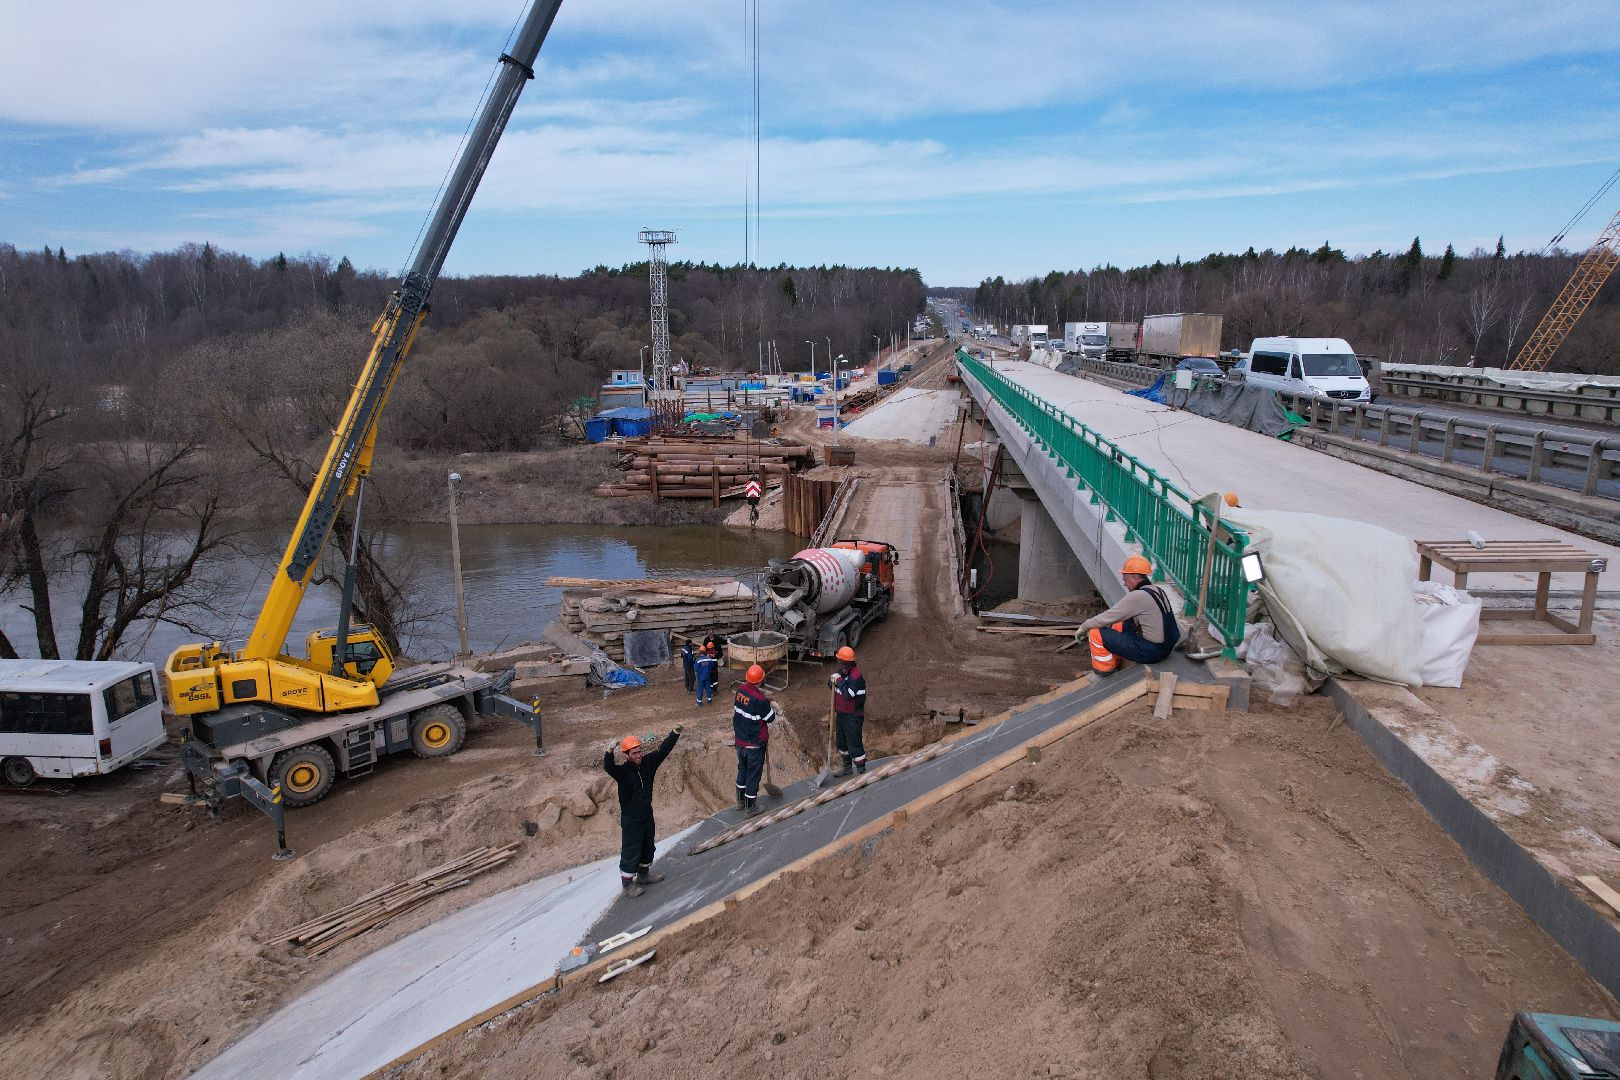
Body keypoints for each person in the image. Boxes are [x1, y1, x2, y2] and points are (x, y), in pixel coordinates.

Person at [602, 727, 681, 897]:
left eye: (639, 752)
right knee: (631, 849)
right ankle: (628, 884)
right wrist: (609, 751)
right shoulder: (622, 772)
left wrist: (674, 733)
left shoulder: (648, 764)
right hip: (631, 819)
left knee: (648, 845)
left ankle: (644, 875)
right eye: (634, 753)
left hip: (646, 814)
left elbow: (663, 750)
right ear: (626, 755)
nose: (638, 756)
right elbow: (608, 767)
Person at [1076, 556, 1181, 670]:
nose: (1125, 584)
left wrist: (1084, 627)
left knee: (1095, 633)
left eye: (1125, 580)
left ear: (1135, 577)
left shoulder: (1138, 596)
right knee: (1119, 624)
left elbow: (1108, 617)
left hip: (1152, 652)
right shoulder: (1157, 590)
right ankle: (1115, 660)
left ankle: (1104, 672)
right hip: (1166, 647)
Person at [732, 663, 776, 816]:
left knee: (742, 770)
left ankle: (739, 801)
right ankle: (750, 807)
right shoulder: (759, 701)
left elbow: (750, 704)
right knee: (753, 775)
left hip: (740, 741)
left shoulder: (740, 691)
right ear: (760, 680)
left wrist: (765, 700)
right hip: (754, 744)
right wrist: (769, 704)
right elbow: (770, 718)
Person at [828, 645, 867, 775]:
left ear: (847, 662)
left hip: (853, 716)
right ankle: (847, 767)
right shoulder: (841, 672)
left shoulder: (856, 677)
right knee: (842, 742)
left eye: (841, 660)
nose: (840, 663)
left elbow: (848, 694)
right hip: (841, 714)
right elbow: (831, 684)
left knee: (854, 742)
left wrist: (838, 681)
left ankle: (861, 770)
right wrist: (833, 680)